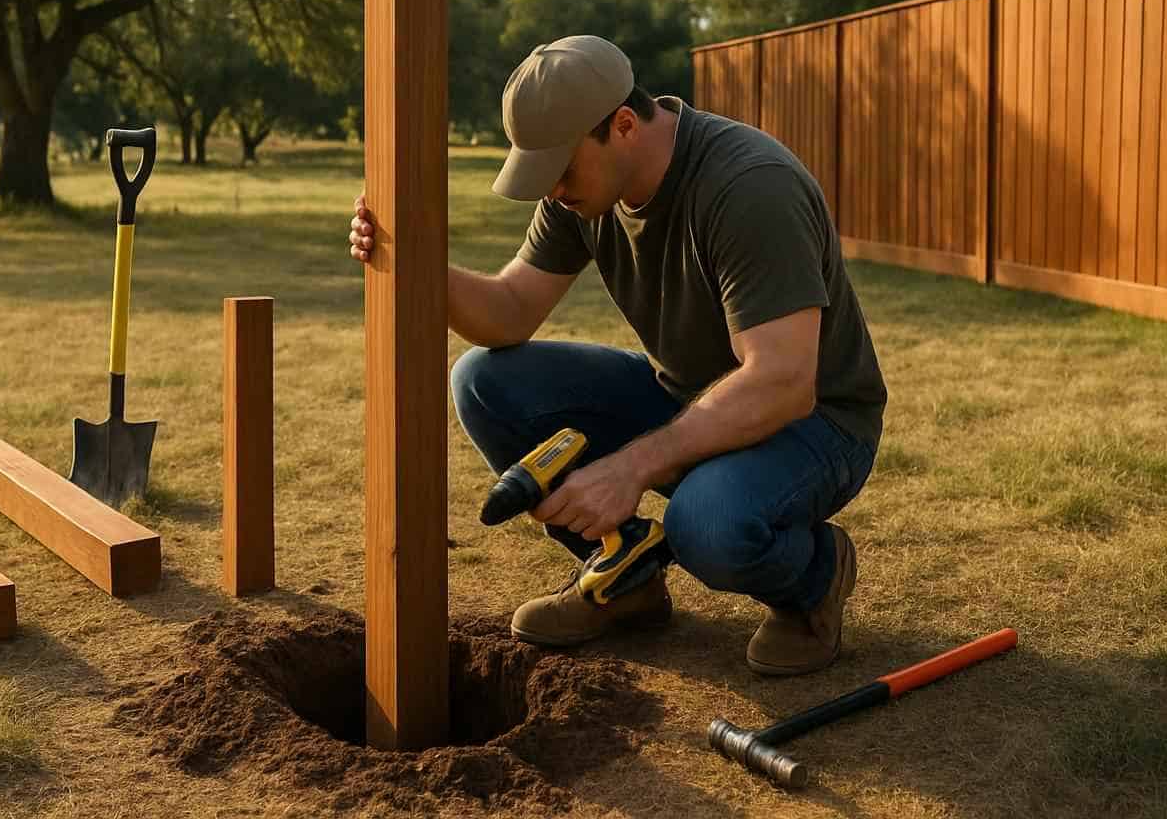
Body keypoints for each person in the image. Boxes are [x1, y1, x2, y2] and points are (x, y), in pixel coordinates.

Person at [347, 35, 886, 676]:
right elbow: (509, 310)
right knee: (485, 381)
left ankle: (815, 579)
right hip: (691, 397)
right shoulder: (582, 193)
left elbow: (783, 381)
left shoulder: (749, 186)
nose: (551, 192)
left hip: (816, 423)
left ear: (624, 125)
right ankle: (624, 579)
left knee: (705, 525)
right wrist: (415, 264)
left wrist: (627, 469)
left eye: (561, 170)